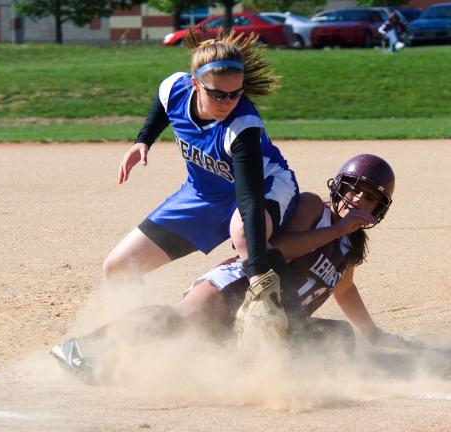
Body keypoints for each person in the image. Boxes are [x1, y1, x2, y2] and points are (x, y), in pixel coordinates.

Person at [52, 154, 417, 383]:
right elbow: (277, 250)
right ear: (339, 186)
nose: (357, 200)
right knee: (180, 321)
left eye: (369, 197)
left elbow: (344, 290)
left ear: (378, 209)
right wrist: (336, 228)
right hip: (237, 286)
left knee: (339, 339)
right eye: (354, 189)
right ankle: (84, 347)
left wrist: (373, 334)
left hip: (267, 320)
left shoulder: (348, 245)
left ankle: (153, 368)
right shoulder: (313, 208)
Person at [101, 30, 301, 342]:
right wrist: (143, 140)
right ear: (195, 83)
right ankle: (144, 336)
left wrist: (258, 271)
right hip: (202, 194)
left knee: (243, 233)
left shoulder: (242, 126)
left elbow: (248, 199)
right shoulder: (175, 88)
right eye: (219, 95)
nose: (229, 102)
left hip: (266, 186)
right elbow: (162, 106)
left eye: (236, 94)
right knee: (118, 267)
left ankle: (293, 327)